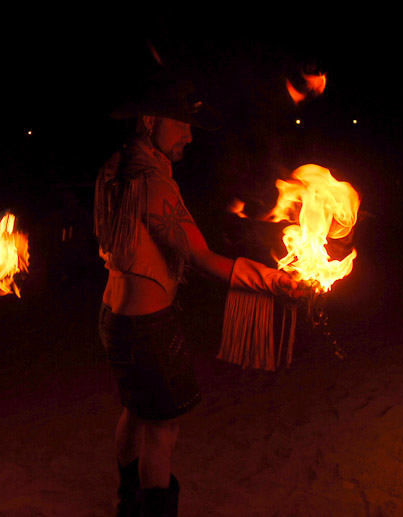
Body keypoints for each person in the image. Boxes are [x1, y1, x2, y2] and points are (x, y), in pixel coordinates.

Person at [94, 76, 298, 516]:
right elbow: (202, 258)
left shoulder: (116, 167)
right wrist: (273, 281)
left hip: (114, 318)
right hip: (146, 328)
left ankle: (126, 501)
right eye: (180, 123)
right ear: (150, 122)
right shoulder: (153, 184)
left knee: (134, 409)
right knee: (162, 429)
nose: (188, 134)